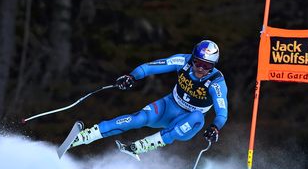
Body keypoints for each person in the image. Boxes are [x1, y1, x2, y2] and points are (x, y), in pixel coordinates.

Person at [70, 40, 228, 160]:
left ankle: (144, 145)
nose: (200, 68)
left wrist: (215, 127)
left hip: (188, 122)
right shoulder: (183, 61)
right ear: (192, 58)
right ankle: (86, 136)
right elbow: (151, 66)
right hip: (169, 106)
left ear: (213, 65)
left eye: (206, 66)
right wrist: (132, 76)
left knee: (198, 116)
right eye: (198, 63)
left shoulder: (216, 82)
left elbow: (222, 112)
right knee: (139, 118)